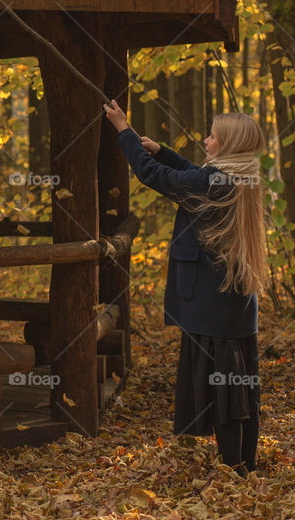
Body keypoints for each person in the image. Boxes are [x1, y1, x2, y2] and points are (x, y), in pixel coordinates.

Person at [103, 99, 268, 476]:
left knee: (225, 388)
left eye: (212, 136)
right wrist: (163, 151)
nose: (206, 140)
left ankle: (235, 469)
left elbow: (155, 177)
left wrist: (123, 130)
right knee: (240, 386)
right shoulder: (238, 178)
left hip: (211, 305)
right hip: (235, 305)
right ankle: (246, 463)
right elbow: (191, 175)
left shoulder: (214, 182)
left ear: (227, 145)